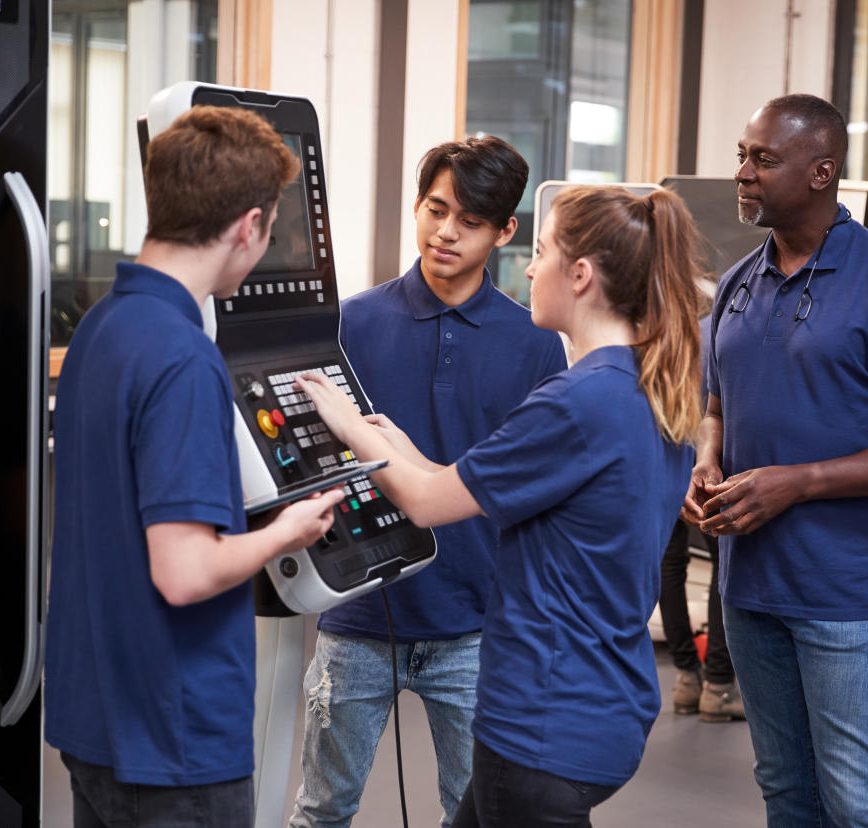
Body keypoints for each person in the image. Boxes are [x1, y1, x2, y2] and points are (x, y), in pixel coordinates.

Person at [296, 184, 704, 827]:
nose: (531, 268)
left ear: (580, 275)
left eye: (540, 253)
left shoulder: (575, 403)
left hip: (547, 719)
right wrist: (394, 444)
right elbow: (471, 489)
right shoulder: (641, 387)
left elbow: (429, 504)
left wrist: (345, 424)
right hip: (599, 704)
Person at [44, 105, 345, 827]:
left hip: (97, 720)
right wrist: (289, 530)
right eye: (271, 228)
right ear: (248, 226)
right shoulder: (183, 359)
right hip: (174, 742)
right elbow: (182, 572)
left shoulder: (99, 326)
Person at [683, 94, 868, 827]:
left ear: (822, 171)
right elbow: (715, 408)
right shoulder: (740, 283)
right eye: (742, 155)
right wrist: (705, 461)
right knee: (785, 792)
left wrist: (799, 482)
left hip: (846, 597)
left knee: (855, 802)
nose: (742, 173)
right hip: (748, 589)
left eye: (762, 159)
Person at [291, 137, 567, 828]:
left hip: (475, 626)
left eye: (469, 221)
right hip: (356, 615)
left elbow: (536, 489)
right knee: (321, 811)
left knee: (473, 815)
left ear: (505, 232)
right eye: (436, 209)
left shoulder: (535, 342)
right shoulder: (352, 322)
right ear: (417, 206)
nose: (446, 232)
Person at [663, 316, 744, 722]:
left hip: (665, 459)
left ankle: (685, 679)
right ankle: (718, 685)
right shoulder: (733, 330)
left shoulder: (678, 332)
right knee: (722, 565)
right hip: (711, 466)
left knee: (670, 564)